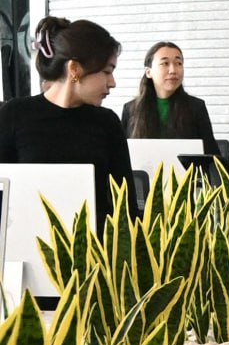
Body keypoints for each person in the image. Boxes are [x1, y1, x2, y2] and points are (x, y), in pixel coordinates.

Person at [0, 16, 136, 229]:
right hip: (26, 241)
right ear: (74, 69)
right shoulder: (14, 114)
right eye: (107, 72)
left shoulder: (107, 122)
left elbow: (127, 206)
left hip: (95, 246)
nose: (112, 82)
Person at [122, 41, 219, 155]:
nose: (173, 70)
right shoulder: (131, 109)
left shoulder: (196, 107)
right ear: (148, 72)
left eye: (178, 63)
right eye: (165, 63)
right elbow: (121, 154)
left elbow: (212, 156)